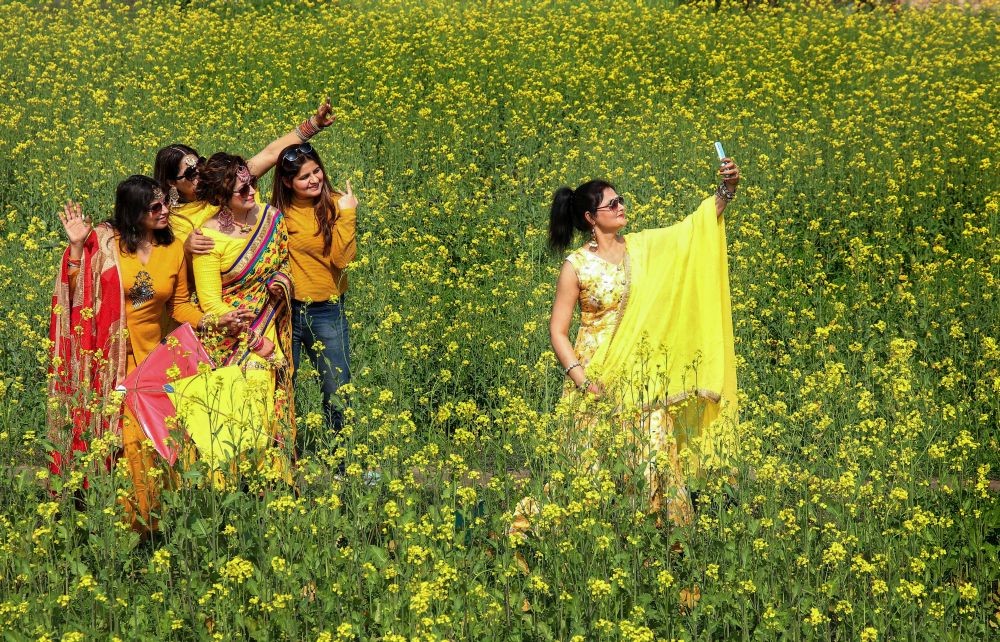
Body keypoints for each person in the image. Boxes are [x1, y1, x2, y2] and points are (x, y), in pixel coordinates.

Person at [515, 157, 741, 536]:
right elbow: (558, 331)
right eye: (612, 204)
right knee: (586, 473)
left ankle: (665, 548)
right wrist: (581, 380)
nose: (622, 208)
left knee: (656, 464)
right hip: (595, 380)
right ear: (590, 217)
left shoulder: (643, 248)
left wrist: (726, 190)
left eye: (622, 200)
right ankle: (529, 534)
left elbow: (691, 232)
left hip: (644, 378)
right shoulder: (576, 266)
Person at [48, 176, 251, 533]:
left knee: (161, 445)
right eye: (155, 207)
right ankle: (130, 530)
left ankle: (154, 528)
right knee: (129, 444)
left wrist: (214, 320)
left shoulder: (173, 248)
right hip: (111, 361)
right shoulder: (106, 244)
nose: (165, 212)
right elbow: (75, 296)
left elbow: (180, 305)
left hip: (156, 363)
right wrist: (77, 249)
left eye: (166, 204)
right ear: (132, 212)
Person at [189, 153, 295, 467]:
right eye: (242, 190)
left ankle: (272, 482)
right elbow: (210, 303)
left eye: (253, 185)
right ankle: (232, 487)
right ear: (221, 197)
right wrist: (252, 337)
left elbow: (285, 264)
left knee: (267, 404)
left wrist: (280, 282)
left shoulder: (271, 218)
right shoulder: (208, 237)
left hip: (269, 322)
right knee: (234, 410)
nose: (251, 193)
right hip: (230, 338)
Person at [152, 97, 336, 256]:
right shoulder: (167, 217)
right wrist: (186, 249)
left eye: (201, 164)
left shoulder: (230, 181)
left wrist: (314, 124)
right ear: (171, 182)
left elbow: (270, 154)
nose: (200, 173)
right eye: (191, 173)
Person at [270, 143, 357, 445]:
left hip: (326, 310)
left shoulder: (336, 205)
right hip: (284, 312)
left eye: (316, 171)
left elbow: (342, 260)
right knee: (281, 386)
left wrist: (347, 215)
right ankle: (282, 458)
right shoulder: (276, 214)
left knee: (337, 386)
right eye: (304, 176)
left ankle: (343, 459)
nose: (314, 179)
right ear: (286, 182)